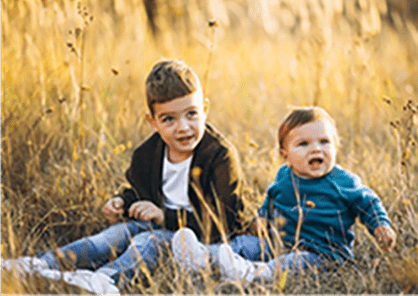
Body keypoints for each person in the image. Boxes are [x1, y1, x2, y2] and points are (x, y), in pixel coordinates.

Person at [2, 59, 245, 293]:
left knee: (147, 243)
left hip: (192, 240)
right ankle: (39, 265)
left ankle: (104, 280)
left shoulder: (220, 156)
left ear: (204, 109)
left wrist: (164, 217)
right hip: (155, 222)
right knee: (110, 236)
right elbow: (141, 192)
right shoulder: (148, 154)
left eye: (191, 114)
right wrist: (123, 202)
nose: (182, 127)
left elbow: (223, 222)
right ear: (153, 121)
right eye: (169, 119)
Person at [172, 106, 397, 283]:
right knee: (245, 243)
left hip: (322, 253)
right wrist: (262, 217)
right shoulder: (284, 176)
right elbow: (271, 199)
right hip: (282, 241)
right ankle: (203, 256)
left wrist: (380, 225)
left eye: (324, 142)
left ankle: (254, 273)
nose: (316, 149)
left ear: (336, 147)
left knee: (293, 263)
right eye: (303, 144)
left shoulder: (342, 181)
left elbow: (368, 202)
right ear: (285, 156)